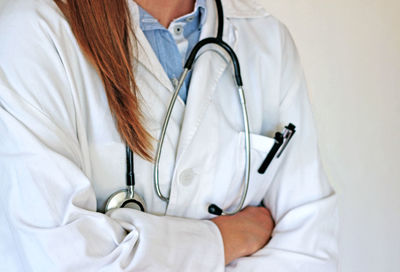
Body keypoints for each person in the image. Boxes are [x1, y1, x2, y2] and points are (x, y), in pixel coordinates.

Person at [0, 0, 338, 271]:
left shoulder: (266, 39)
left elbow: (310, 249)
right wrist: (222, 241)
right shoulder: (31, 31)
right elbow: (60, 258)